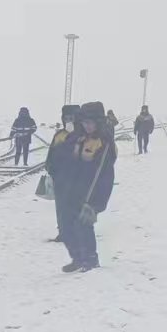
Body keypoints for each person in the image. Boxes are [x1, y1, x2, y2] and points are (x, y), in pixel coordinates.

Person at [54, 101, 117, 273]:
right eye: (84, 122)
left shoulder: (103, 143)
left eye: (90, 123)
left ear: (98, 122)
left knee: (83, 225)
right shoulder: (79, 137)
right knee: (66, 226)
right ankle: (78, 258)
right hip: (72, 190)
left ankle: (90, 260)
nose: (87, 126)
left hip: (92, 193)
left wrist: (93, 203)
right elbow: (62, 155)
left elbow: (102, 175)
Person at [43, 105, 80, 242]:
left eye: (72, 118)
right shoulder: (59, 135)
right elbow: (51, 154)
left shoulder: (83, 135)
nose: (69, 121)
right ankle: (63, 232)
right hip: (61, 178)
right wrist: (50, 168)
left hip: (78, 178)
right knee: (62, 207)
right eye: (66, 118)